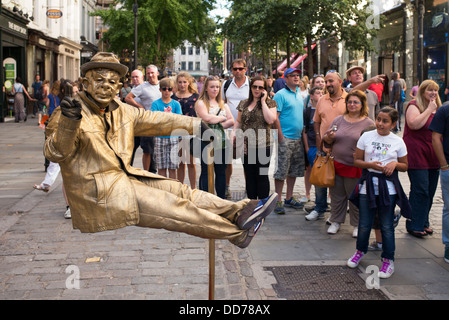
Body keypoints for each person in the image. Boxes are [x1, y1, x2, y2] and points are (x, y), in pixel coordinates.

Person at [44, 52, 278, 249]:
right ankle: (239, 234)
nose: (106, 86)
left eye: (112, 81)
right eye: (99, 79)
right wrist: (68, 123)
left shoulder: (122, 111)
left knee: (182, 191)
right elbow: (55, 153)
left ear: (118, 86)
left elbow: (156, 119)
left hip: (126, 177)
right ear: (85, 83)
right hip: (99, 192)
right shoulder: (69, 113)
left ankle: (242, 211)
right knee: (174, 208)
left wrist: (195, 124)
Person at [347, 107, 410, 278]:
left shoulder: (398, 141)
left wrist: (395, 164)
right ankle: (360, 251)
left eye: (385, 121)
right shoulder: (366, 137)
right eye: (379, 119)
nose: (380, 124)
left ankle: (388, 260)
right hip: (368, 185)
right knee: (364, 223)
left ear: (394, 123)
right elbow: (357, 161)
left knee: (387, 225)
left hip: (387, 189)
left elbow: (405, 165)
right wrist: (371, 165)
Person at [322, 90, 375, 236]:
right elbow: (327, 140)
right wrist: (329, 137)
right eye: (349, 102)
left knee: (355, 197)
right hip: (337, 164)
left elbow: (373, 145)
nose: (352, 105)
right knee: (337, 195)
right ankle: (335, 221)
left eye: (355, 102)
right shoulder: (338, 120)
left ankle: (357, 224)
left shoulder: (369, 123)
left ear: (362, 104)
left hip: (355, 167)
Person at [403, 79, 441, 237]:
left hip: (434, 154)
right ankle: (414, 224)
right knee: (421, 190)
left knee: (430, 191)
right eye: (429, 90)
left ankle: (423, 221)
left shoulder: (438, 108)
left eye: (436, 90)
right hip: (417, 154)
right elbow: (414, 124)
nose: (433, 93)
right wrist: (429, 110)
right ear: (422, 92)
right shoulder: (414, 105)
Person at [233, 76, 277, 200]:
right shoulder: (243, 103)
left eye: (260, 87)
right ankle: (252, 205)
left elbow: (270, 119)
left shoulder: (270, 103)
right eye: (254, 86)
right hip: (246, 145)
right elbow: (238, 121)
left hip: (264, 145)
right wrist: (234, 134)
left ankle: (262, 206)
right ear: (250, 87)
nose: (257, 89)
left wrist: (263, 102)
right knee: (250, 175)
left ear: (265, 89)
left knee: (262, 175)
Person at [273, 68, 306, 214]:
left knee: (293, 170)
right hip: (285, 137)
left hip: (298, 138)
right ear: (286, 78)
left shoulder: (299, 94)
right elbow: (275, 116)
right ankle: (278, 199)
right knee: (281, 170)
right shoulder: (280, 95)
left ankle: (289, 197)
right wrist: (280, 136)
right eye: (293, 76)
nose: (296, 78)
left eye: (298, 75)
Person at [196, 76, 235, 199]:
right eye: (212, 87)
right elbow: (206, 118)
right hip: (205, 141)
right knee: (206, 171)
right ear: (206, 88)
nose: (215, 89)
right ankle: (205, 198)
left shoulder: (223, 104)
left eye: (217, 87)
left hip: (222, 142)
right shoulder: (201, 103)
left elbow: (232, 121)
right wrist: (223, 119)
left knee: (221, 172)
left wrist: (217, 124)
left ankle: (221, 198)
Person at [222, 59, 250, 199]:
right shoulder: (226, 85)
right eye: (235, 69)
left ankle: (248, 188)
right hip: (228, 128)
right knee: (227, 160)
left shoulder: (251, 85)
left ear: (245, 69)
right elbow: (222, 103)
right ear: (231, 70)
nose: (237, 71)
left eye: (240, 68)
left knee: (247, 160)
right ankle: (227, 187)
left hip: (247, 129)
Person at [125, 65, 161, 174]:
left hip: (161, 122)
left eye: (152, 73)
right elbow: (128, 98)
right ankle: (145, 173)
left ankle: (155, 174)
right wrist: (140, 107)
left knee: (156, 152)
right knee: (147, 150)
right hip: (146, 123)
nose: (150, 75)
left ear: (157, 73)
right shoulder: (142, 87)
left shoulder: (163, 85)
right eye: (148, 73)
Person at [304, 87, 332, 221]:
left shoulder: (345, 100)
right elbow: (313, 125)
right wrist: (311, 146)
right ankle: (319, 207)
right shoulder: (320, 103)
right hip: (319, 147)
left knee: (336, 181)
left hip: (338, 146)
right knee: (320, 178)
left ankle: (336, 212)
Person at [151, 78, 183, 179]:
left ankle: (172, 191)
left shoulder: (176, 104)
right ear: (160, 90)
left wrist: (164, 119)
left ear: (172, 90)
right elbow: (155, 119)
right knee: (161, 167)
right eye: (164, 89)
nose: (167, 91)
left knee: (172, 168)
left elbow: (178, 119)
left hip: (173, 137)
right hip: (159, 137)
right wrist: (170, 119)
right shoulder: (155, 104)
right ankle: (163, 190)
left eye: (169, 89)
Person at [172, 71, 199, 188]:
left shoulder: (195, 97)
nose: (182, 84)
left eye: (184, 82)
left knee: (191, 162)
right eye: (180, 82)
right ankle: (181, 187)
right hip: (177, 131)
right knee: (181, 162)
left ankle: (193, 188)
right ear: (177, 83)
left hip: (191, 131)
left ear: (189, 83)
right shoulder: (173, 97)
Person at [430, 101, 449, 263]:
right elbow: (435, 138)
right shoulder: (445, 110)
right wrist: (443, 165)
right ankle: (448, 245)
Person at [127, 69, 145, 166]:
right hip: (134, 123)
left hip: (145, 123)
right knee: (131, 148)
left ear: (142, 77)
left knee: (148, 150)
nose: (134, 79)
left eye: (136, 77)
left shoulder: (146, 88)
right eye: (133, 77)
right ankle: (128, 168)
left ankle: (150, 172)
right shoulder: (132, 90)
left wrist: (140, 106)